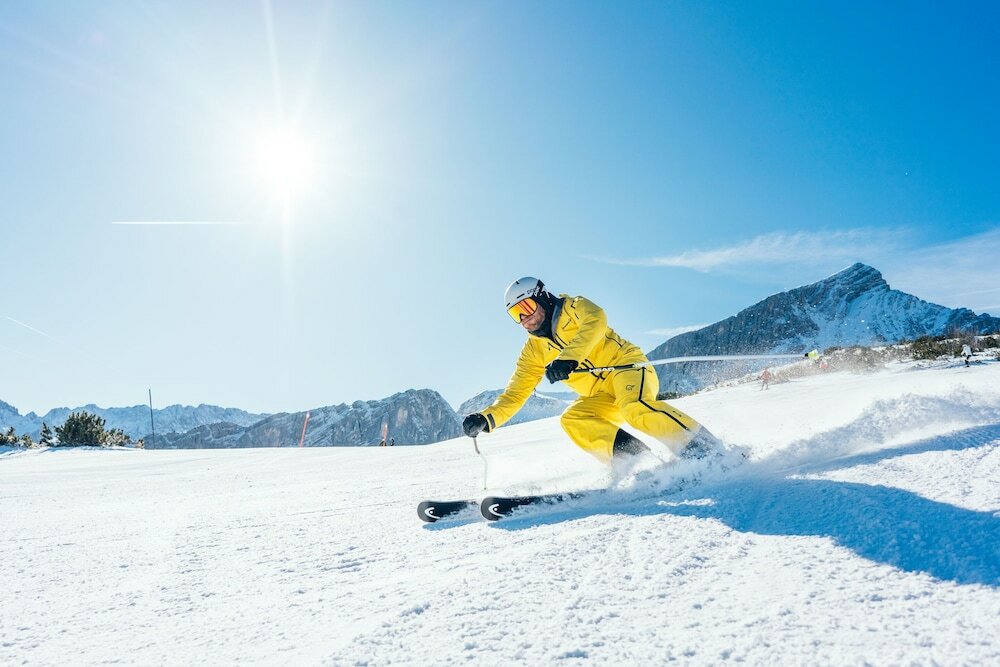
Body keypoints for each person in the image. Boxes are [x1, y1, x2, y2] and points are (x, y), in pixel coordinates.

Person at [461, 277, 707, 464]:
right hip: (599, 395)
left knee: (633, 408)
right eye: (516, 314)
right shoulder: (533, 351)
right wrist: (487, 418)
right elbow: (517, 392)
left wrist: (568, 359)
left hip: (627, 369)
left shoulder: (573, 307)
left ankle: (703, 447)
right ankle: (637, 462)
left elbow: (596, 320)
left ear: (542, 296)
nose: (525, 318)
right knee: (573, 419)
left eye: (526, 306)